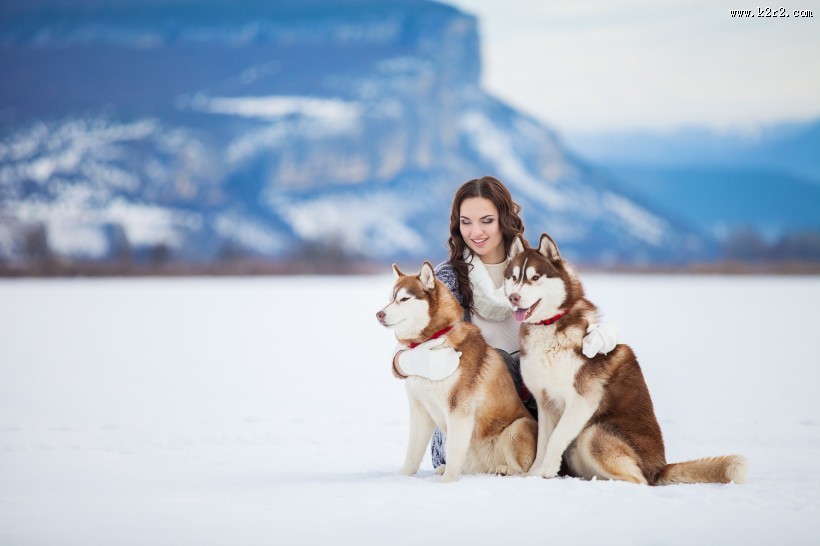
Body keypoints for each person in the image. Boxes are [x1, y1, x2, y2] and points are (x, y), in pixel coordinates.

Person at [390, 175, 619, 469]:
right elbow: (404, 348)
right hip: (470, 431)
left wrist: (599, 333)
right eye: (466, 222)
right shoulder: (447, 279)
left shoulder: (536, 268)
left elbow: (574, 313)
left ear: (505, 220)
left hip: (534, 421)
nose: (475, 231)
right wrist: (409, 362)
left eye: (486, 220)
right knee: (497, 360)